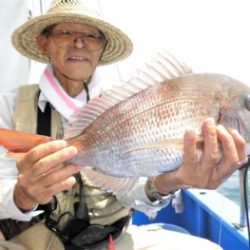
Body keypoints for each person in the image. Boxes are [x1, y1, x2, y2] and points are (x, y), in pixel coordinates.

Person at [0, 0, 247, 249]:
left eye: (91, 36)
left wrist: (174, 180)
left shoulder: (121, 102)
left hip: (112, 241)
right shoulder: (9, 105)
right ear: (44, 44)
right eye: (66, 32)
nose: (79, 43)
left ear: (101, 48)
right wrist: (22, 196)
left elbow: (132, 193)